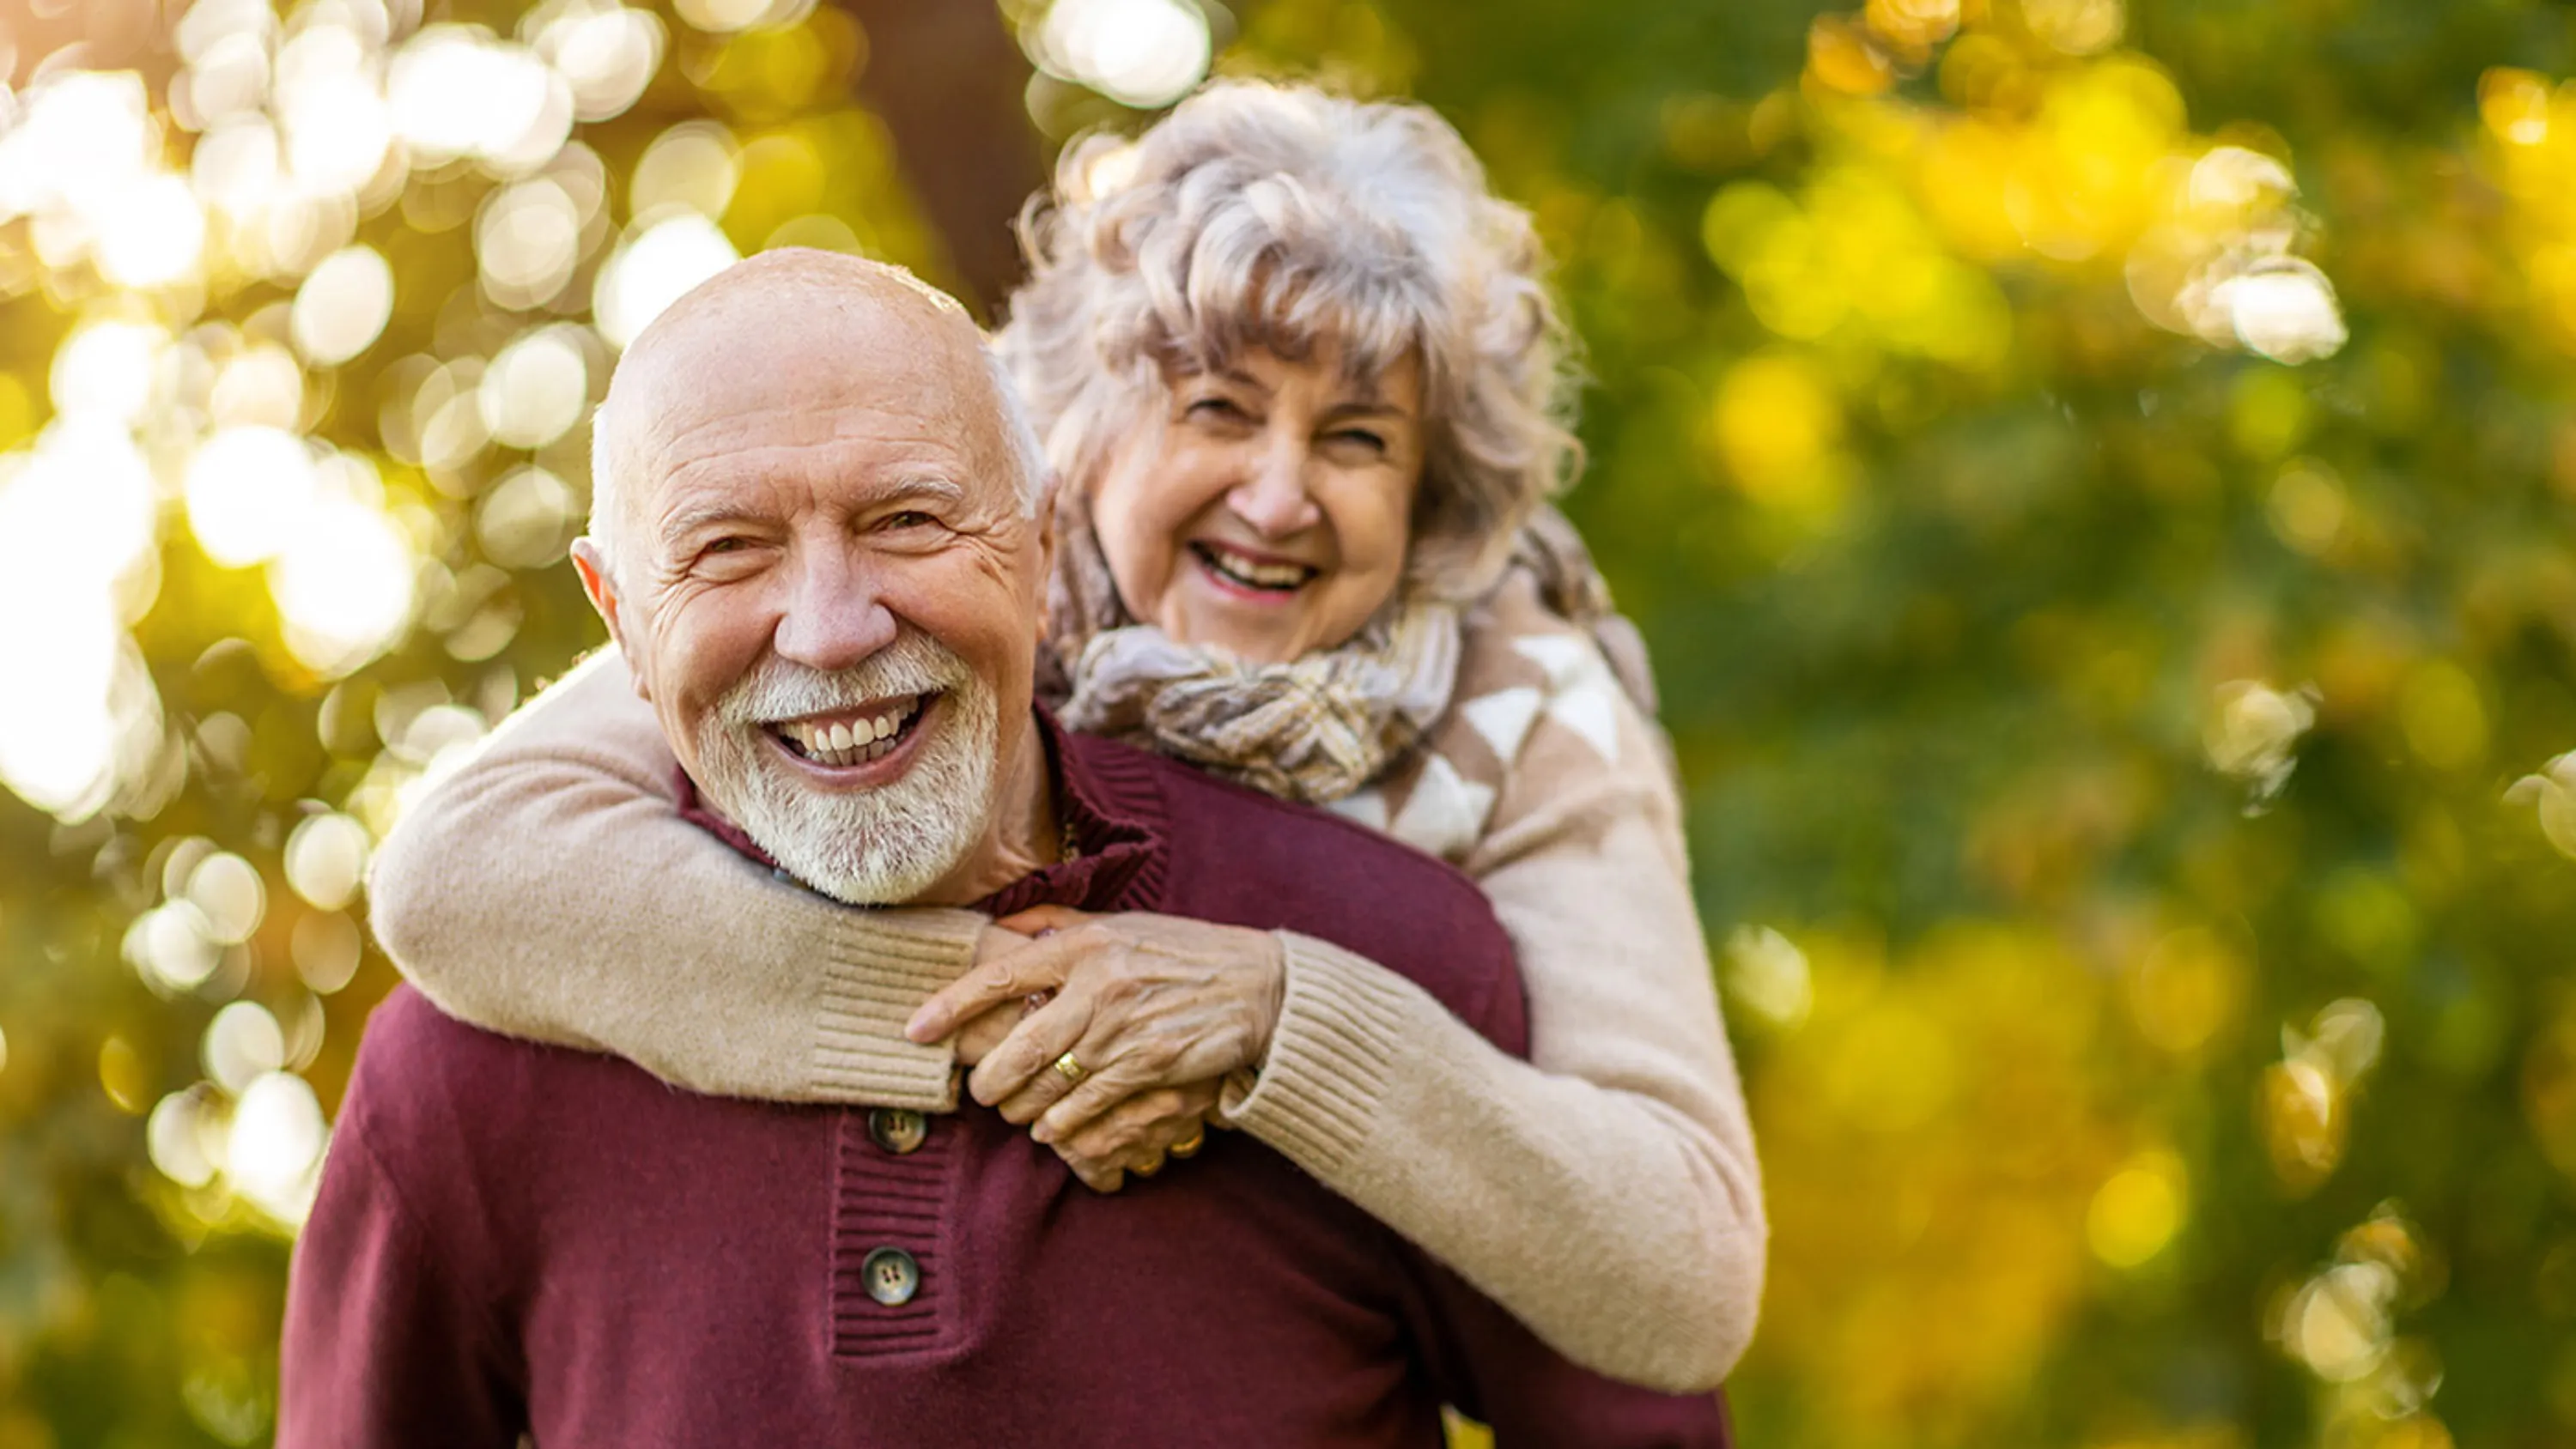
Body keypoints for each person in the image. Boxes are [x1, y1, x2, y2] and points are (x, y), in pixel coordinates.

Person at [368, 81, 1764, 1392]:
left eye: (1357, 440)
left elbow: (1686, 1271)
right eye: (1217, 410)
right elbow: (458, 873)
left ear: (1432, 497)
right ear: (1077, 440)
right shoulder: (914, 579)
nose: (1278, 498)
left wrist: (1280, 1015)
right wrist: (1003, 1010)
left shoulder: (1525, 716)